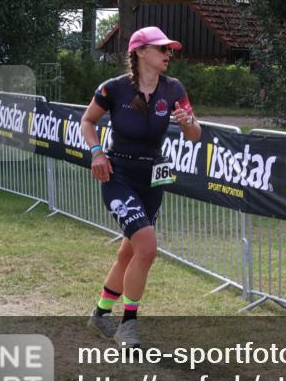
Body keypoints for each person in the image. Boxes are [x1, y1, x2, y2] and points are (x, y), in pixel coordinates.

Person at [80, 26, 202, 348]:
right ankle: (128, 324)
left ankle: (99, 314)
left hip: (153, 178)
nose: (168, 54)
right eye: (162, 49)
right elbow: (87, 121)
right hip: (118, 176)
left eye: (169, 49)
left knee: (130, 251)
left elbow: (195, 134)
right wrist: (96, 153)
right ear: (141, 52)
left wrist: (188, 124)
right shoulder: (113, 89)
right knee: (147, 247)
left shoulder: (174, 89)